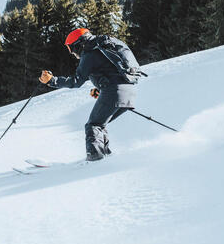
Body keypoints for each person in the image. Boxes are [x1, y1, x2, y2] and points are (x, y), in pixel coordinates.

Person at [39, 28, 145, 161]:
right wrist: (102, 88)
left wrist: (52, 81)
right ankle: (105, 155)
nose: (72, 53)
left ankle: (95, 158)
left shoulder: (90, 53)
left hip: (114, 91)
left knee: (93, 125)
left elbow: (76, 81)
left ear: (78, 44)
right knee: (100, 125)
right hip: (129, 91)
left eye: (71, 48)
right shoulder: (102, 48)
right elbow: (112, 71)